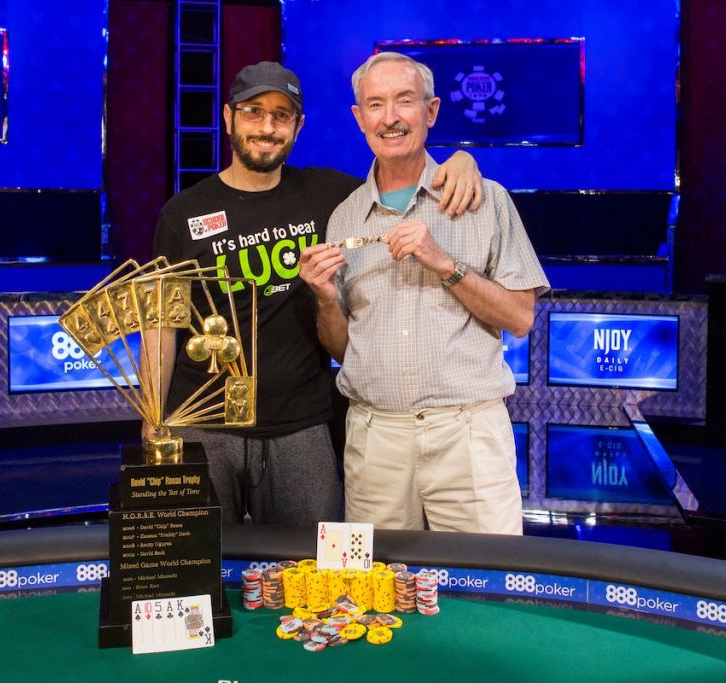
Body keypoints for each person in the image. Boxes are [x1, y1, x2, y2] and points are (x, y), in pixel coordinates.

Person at [146, 61, 484, 526]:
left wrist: (460, 160)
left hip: (302, 425)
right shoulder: (182, 214)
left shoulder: (328, 195)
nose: (267, 128)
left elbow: (398, 180)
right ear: (228, 119)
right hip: (203, 425)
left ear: (298, 126)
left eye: (282, 116)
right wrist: (152, 419)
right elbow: (160, 326)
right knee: (199, 571)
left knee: (310, 574)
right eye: (253, 112)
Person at [299, 52, 550, 535]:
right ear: (359, 118)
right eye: (375, 104)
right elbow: (343, 348)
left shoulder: (485, 199)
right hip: (376, 441)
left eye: (404, 101)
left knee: (484, 589)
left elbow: (520, 318)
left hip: (468, 436)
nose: (390, 117)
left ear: (431, 111)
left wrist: (446, 265)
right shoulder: (345, 218)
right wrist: (326, 299)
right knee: (377, 597)